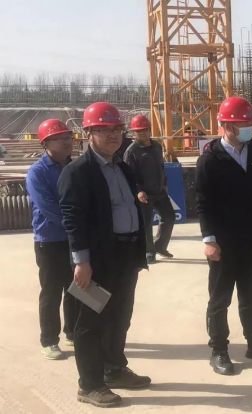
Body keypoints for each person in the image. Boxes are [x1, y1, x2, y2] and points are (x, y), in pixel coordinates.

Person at [58, 102, 150, 408]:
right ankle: (90, 384)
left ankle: (114, 369)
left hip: (126, 256)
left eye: (117, 129)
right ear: (88, 133)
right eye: (104, 129)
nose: (113, 135)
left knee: (119, 317)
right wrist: (81, 262)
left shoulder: (122, 167)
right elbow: (73, 220)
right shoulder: (78, 172)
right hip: (97, 262)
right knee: (91, 323)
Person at [195, 96, 252, 376]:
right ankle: (219, 350)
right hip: (223, 241)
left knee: (251, 295)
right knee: (220, 298)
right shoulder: (210, 159)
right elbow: (203, 203)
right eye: (243, 124)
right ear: (226, 126)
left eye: (250, 123)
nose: (248, 128)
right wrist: (208, 240)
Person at [26, 119, 76, 360]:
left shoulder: (74, 167)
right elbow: (48, 208)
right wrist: (76, 225)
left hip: (74, 238)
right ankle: (49, 340)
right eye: (59, 138)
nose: (67, 142)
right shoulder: (37, 172)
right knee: (52, 291)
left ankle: (73, 332)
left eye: (68, 137)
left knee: (76, 288)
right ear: (45, 143)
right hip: (50, 240)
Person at [124, 115, 175, 264]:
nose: (143, 133)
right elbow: (129, 175)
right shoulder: (132, 151)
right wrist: (138, 191)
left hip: (159, 192)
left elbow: (161, 167)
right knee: (146, 225)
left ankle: (160, 246)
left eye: (145, 130)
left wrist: (164, 184)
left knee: (169, 217)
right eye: (139, 131)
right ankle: (149, 252)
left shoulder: (157, 146)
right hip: (144, 195)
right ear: (134, 133)